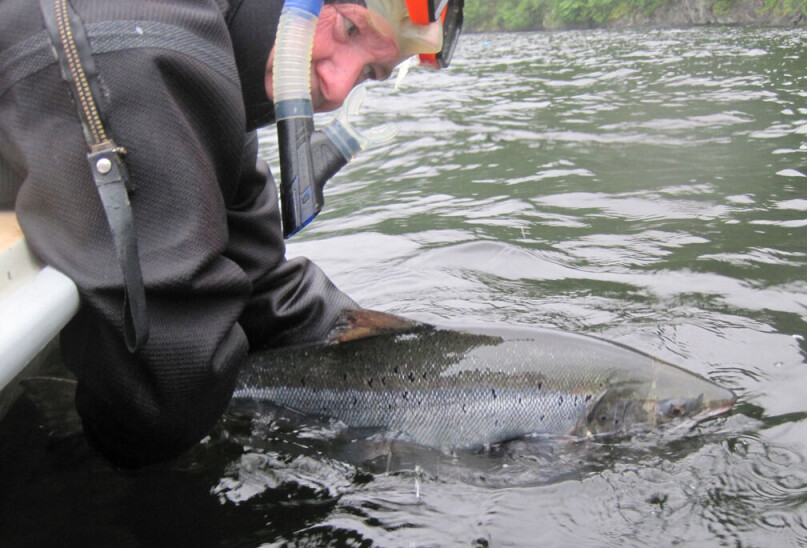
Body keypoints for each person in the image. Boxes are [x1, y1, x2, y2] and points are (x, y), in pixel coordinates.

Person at [0, 0, 461, 468]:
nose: (338, 86)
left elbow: (261, 283)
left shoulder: (214, 75)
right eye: (348, 29)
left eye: (369, 74)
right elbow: (165, 397)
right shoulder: (145, 52)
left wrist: (394, 352)